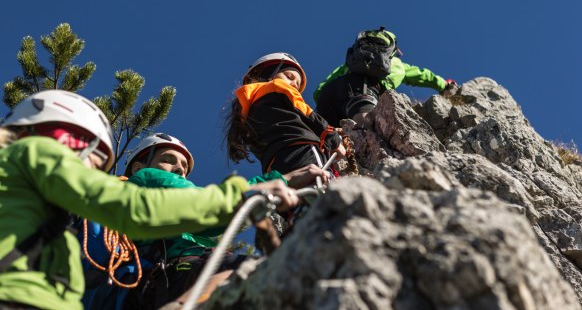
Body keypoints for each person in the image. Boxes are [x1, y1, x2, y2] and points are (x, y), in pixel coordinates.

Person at [0, 90, 300, 310]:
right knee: (245, 271)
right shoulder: (34, 152)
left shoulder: (46, 217)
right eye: (93, 155)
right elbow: (132, 209)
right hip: (19, 300)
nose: (90, 169)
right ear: (67, 137)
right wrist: (238, 197)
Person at [81, 132, 329, 309]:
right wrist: (283, 180)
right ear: (137, 167)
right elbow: (204, 206)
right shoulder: (147, 177)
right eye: (168, 159)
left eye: (183, 166)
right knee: (254, 273)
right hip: (177, 272)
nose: (179, 169)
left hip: (155, 286)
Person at [225, 52, 346, 175]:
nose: (294, 85)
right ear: (269, 73)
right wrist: (332, 137)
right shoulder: (277, 86)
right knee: (322, 183)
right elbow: (305, 112)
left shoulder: (247, 111)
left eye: (298, 85)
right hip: (303, 150)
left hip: (274, 165)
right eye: (289, 76)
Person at [314, 27, 458, 128]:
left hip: (331, 92)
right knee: (366, 131)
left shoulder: (352, 62)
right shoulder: (396, 63)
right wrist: (444, 85)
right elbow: (422, 76)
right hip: (365, 89)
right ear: (392, 50)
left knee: (320, 139)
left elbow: (319, 91)